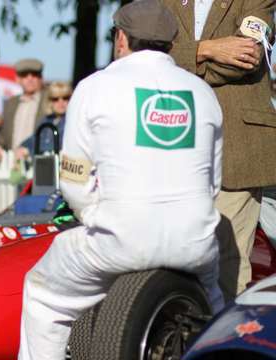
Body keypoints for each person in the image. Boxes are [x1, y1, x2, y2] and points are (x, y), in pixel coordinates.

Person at [18, 2, 224, 359]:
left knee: (42, 295)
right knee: (218, 311)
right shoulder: (204, 94)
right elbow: (213, 184)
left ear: (121, 38)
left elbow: (73, 179)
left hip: (121, 240)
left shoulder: (96, 86)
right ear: (172, 44)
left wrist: (97, 216)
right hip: (195, 243)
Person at [162, 0, 276, 301]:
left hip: (238, 149)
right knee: (169, 257)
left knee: (228, 265)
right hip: (173, 145)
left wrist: (176, 58)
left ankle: (221, 343)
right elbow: (138, 54)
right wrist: (209, 49)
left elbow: (245, 57)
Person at [0, 58, 48, 162]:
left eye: (34, 75)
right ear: (18, 79)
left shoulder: (49, 101)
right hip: (14, 162)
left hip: (40, 160)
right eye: (25, 75)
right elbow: (4, 132)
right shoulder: (10, 103)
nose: (30, 79)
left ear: (41, 78)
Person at [16, 81, 72, 159]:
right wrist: (22, 147)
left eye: (65, 98)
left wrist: (29, 151)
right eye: (55, 99)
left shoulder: (71, 121)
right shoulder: (47, 120)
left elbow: (55, 146)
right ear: (50, 101)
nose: (61, 102)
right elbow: (34, 138)